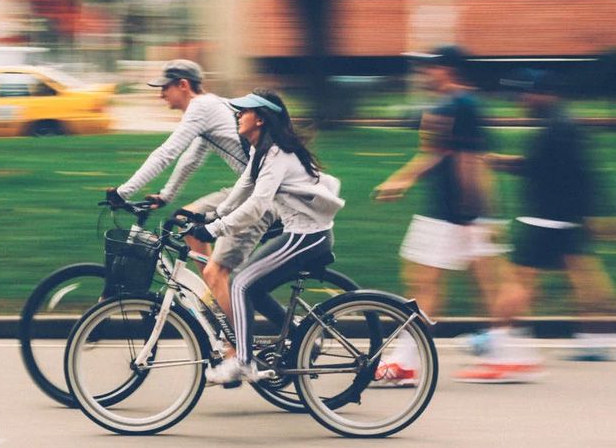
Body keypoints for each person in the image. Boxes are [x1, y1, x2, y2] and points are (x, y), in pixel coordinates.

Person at [372, 45, 520, 385]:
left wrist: (472, 215)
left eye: (431, 67)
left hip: (458, 214)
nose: (425, 73)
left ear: (449, 70)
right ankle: (502, 355)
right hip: (448, 212)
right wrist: (402, 180)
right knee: (425, 281)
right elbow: (435, 154)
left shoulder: (464, 105)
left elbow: (471, 159)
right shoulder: (447, 105)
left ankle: (505, 356)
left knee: (478, 283)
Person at [106, 59, 281, 328]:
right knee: (187, 219)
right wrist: (166, 195)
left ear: (183, 85)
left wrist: (123, 191)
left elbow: (167, 153)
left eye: (165, 87)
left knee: (217, 272)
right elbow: (191, 159)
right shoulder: (210, 107)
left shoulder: (201, 107)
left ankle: (237, 345)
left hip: (262, 196)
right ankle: (215, 299)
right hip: (250, 189)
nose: (161, 94)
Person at [194, 89, 345, 383]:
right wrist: (213, 214)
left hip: (307, 237)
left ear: (260, 119)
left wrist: (215, 229)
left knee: (240, 284)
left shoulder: (277, 153)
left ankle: (244, 362)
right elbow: (244, 185)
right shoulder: (260, 150)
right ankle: (301, 334)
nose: (238, 115)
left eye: (244, 112)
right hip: (299, 234)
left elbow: (257, 205)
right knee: (252, 285)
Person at [481, 69, 614, 365]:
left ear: (545, 93)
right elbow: (572, 172)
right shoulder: (561, 122)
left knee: (519, 279)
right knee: (586, 278)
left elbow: (554, 171)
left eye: (525, 93)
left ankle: (497, 340)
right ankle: (597, 340)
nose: (521, 99)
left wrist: (500, 162)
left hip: (546, 219)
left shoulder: (558, 127)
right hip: (564, 218)